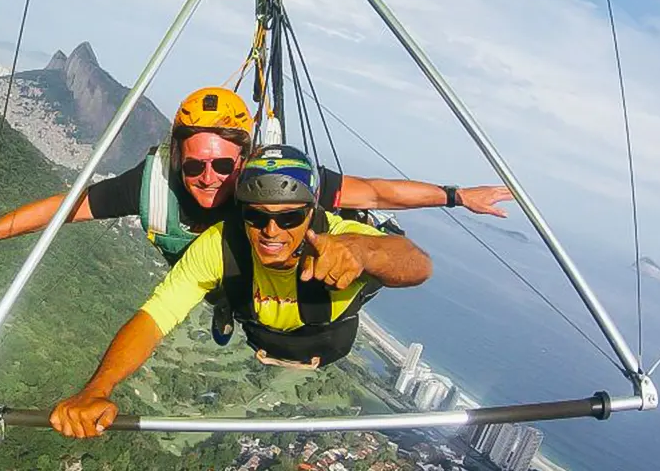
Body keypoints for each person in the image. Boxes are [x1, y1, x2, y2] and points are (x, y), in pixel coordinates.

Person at [0, 87, 509, 340]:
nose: (207, 180)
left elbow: (374, 194)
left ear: (244, 162)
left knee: (294, 310)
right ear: (177, 153)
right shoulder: (153, 184)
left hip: (266, 283)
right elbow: (65, 207)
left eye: (224, 168)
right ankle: (231, 313)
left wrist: (458, 196)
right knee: (226, 300)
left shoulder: (272, 187)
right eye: (195, 164)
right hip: (214, 283)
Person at [48, 145, 432, 439]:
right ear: (242, 212)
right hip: (260, 331)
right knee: (225, 287)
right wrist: (97, 388)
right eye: (256, 216)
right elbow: (156, 315)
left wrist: (364, 251)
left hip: (327, 340)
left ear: (311, 211)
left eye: (289, 217)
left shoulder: (337, 243)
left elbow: (417, 264)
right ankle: (225, 303)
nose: (271, 231)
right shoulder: (222, 243)